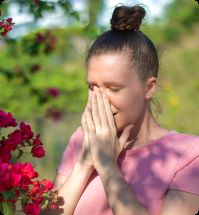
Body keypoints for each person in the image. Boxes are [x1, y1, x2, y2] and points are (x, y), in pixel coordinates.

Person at [44, 4, 199, 215]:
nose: (100, 100)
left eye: (114, 88)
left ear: (149, 87)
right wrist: (84, 164)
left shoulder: (189, 155)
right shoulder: (83, 139)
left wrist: (108, 166)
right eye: (93, 87)